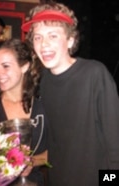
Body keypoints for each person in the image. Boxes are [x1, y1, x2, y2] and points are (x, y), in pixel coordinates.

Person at [20, 2, 119, 186]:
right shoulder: (45, 81)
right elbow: (57, 143)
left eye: (53, 36)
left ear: (70, 41)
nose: (44, 44)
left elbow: (115, 144)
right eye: (38, 37)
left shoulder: (94, 74)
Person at [0, 38, 48, 186]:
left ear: (24, 66)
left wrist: (33, 161)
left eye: (6, 66)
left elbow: (60, 149)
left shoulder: (43, 103)